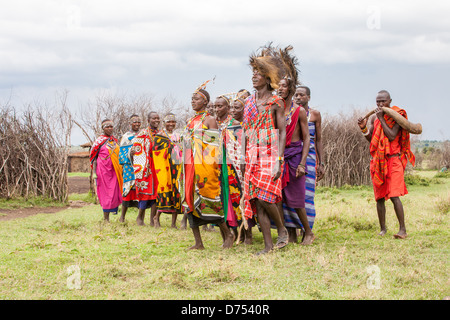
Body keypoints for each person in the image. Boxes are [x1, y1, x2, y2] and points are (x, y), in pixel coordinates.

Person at [242, 44, 289, 255]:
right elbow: (245, 130)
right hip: (252, 151)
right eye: (252, 73)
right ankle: (268, 246)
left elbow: (282, 131)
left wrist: (279, 159)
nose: (254, 77)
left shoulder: (276, 101)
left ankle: (282, 229)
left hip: (270, 151)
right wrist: (243, 157)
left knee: (265, 196)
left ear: (267, 77)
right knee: (256, 200)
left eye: (258, 73)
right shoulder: (249, 102)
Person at [181, 81, 234, 250]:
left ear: (205, 102)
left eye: (196, 99)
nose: (193, 101)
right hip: (190, 166)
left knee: (210, 200)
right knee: (190, 200)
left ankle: (228, 235)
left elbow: (213, 147)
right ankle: (198, 242)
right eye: (192, 99)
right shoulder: (190, 121)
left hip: (205, 168)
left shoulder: (210, 120)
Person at [357, 90, 415, 239]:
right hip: (378, 161)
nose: (380, 104)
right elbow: (372, 140)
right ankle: (383, 229)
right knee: (380, 197)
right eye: (378, 102)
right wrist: (363, 128)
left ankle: (402, 230)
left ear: (390, 101)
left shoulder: (397, 116)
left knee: (395, 195)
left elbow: (391, 136)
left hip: (394, 160)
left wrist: (382, 118)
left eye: (383, 101)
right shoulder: (374, 120)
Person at [277, 54, 314, 245]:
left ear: (291, 89)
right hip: (280, 156)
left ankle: (308, 232)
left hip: (295, 157)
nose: (279, 89)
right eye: (278, 86)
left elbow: (307, 137)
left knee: (297, 198)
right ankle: (288, 234)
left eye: (283, 86)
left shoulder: (298, 111)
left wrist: (302, 163)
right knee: (281, 198)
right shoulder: (276, 109)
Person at [294, 86, 325, 235]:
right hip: (294, 156)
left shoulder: (314, 115)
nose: (298, 97)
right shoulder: (290, 113)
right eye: (296, 95)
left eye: (301, 95)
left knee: (307, 193)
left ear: (308, 97)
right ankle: (293, 228)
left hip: (310, 158)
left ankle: (306, 230)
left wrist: (322, 163)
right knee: (294, 192)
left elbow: (318, 140)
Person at [153, 113, 185, 228]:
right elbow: (156, 152)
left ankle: (173, 223)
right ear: (164, 123)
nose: (171, 124)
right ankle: (156, 218)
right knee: (163, 190)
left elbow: (183, 149)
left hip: (176, 167)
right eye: (168, 122)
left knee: (176, 192)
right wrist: (170, 147)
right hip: (164, 169)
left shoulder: (178, 135)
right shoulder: (160, 136)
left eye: (173, 122)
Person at [90, 119, 123, 221]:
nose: (109, 129)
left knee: (114, 192)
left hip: (115, 171)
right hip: (103, 171)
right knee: (106, 193)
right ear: (103, 128)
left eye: (111, 126)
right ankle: (106, 219)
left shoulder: (114, 141)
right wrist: (94, 172)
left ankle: (113, 213)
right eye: (107, 127)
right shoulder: (99, 142)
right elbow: (93, 158)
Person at [132, 111, 160, 226]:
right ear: (148, 120)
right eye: (154, 118)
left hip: (158, 167)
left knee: (156, 194)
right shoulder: (143, 133)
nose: (156, 120)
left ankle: (153, 219)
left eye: (158, 118)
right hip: (145, 168)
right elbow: (135, 149)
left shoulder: (161, 133)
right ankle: (140, 217)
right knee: (145, 193)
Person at [118, 114, 141, 222]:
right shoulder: (126, 137)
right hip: (129, 168)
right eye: (134, 122)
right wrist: (129, 153)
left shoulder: (143, 135)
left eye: (138, 122)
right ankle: (122, 217)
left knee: (141, 190)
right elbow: (121, 154)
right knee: (127, 190)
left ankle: (140, 218)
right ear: (130, 124)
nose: (136, 124)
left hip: (141, 166)